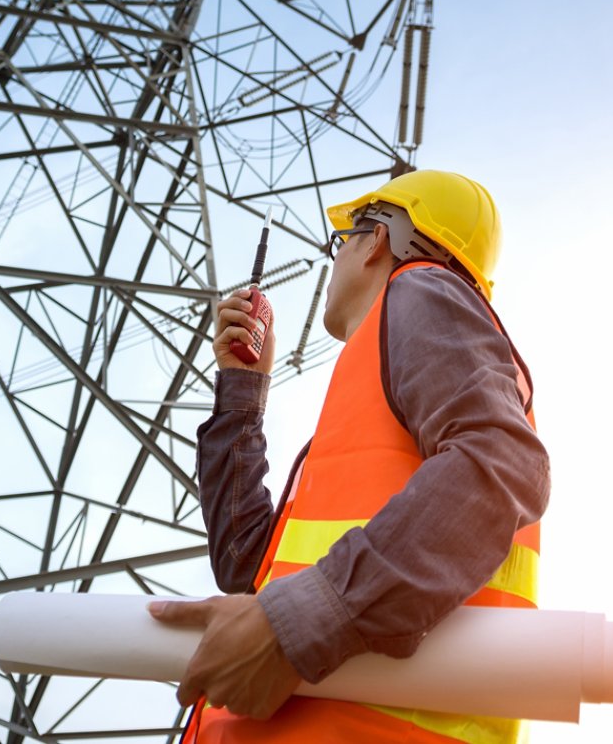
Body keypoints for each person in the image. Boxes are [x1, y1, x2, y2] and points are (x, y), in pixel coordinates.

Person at [148, 170, 551, 743]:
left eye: (342, 241)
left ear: (377, 239)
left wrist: (303, 621)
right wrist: (243, 390)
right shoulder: (376, 388)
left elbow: (501, 464)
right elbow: (247, 565)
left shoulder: (422, 287)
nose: (336, 258)